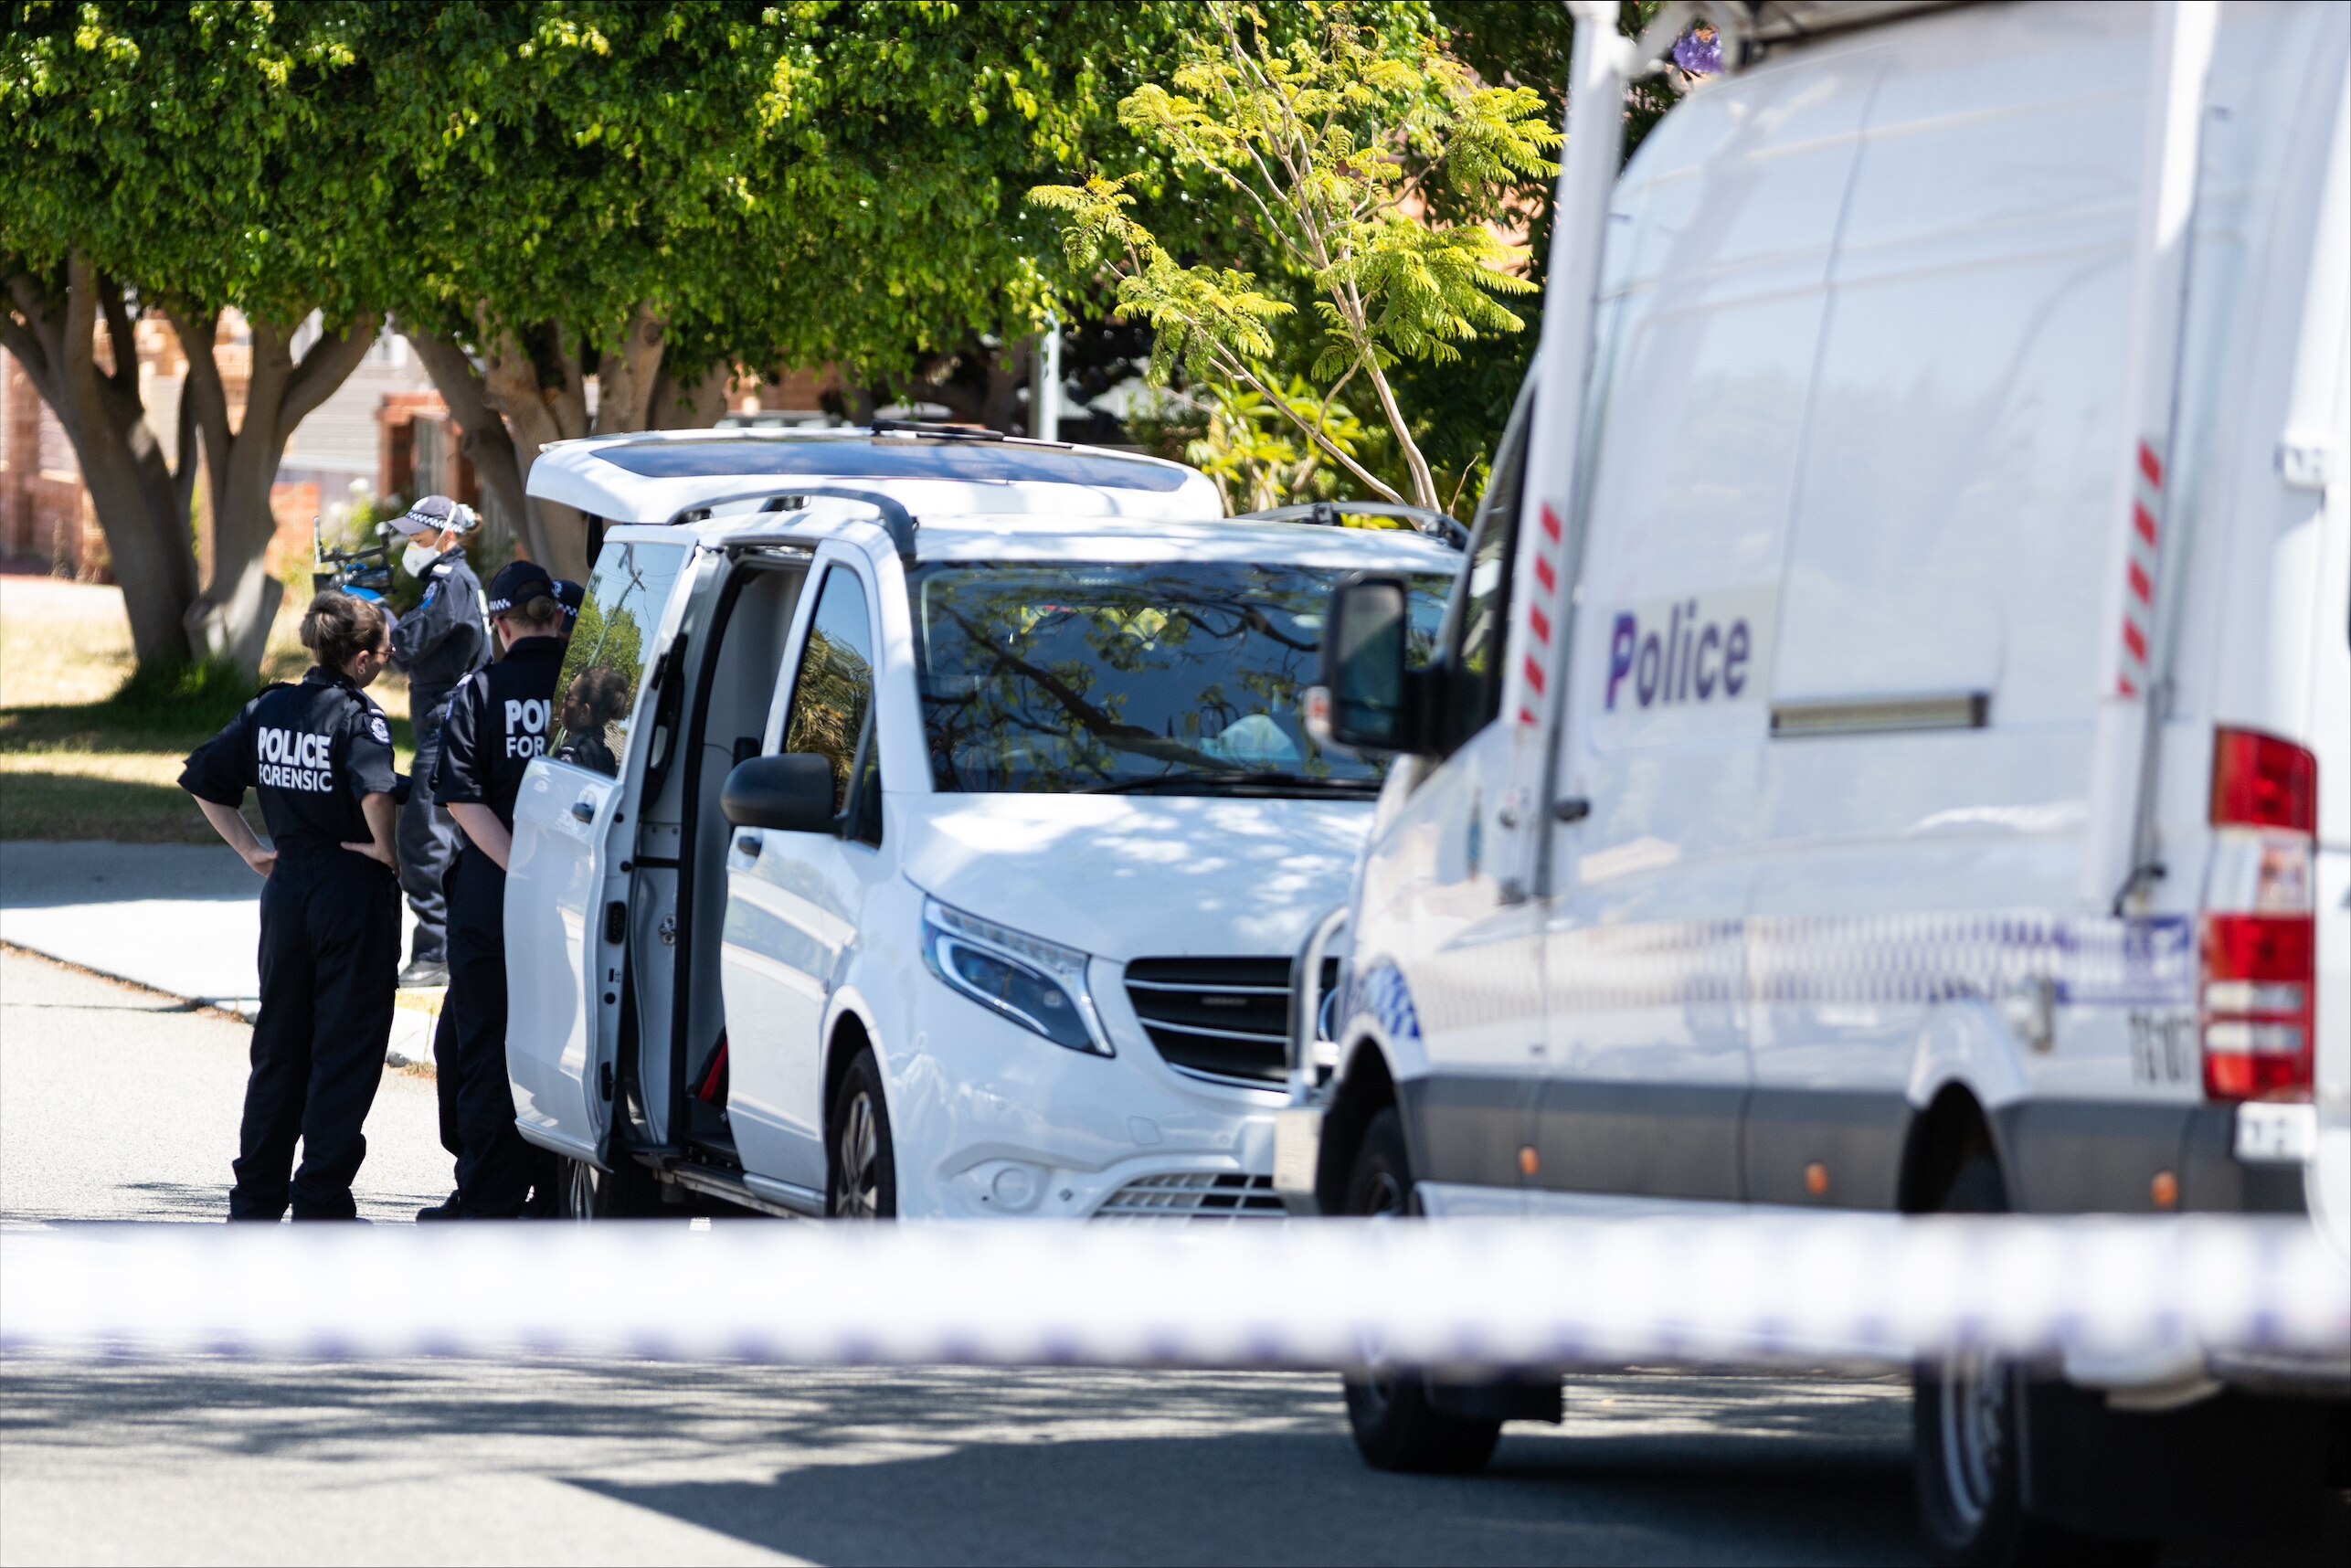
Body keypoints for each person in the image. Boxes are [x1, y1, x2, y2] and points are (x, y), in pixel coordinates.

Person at [179, 592, 402, 1221]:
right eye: (384, 651)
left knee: (279, 1048)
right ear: (360, 659)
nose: (387, 659)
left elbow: (204, 779)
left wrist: (252, 850)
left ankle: (256, 1196)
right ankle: (321, 1197)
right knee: (345, 1049)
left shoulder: (270, 707)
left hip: (288, 893)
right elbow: (378, 793)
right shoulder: (361, 717)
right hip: (350, 893)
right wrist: (387, 853)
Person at [417, 561, 572, 1220]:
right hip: (580, 897)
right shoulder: (594, 691)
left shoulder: (480, 691)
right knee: (563, 1042)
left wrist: (520, 868)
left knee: (481, 1044)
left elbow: (461, 799)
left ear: (500, 624)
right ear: (558, 617)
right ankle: (556, 1188)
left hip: (495, 895)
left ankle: (485, 1198)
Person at [387, 495, 490, 988]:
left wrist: (379, 614)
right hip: (443, 716)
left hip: (447, 717)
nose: (411, 544)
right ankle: (447, 948)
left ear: (447, 535)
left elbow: (405, 647)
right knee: (444, 837)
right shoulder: (449, 581)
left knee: (424, 837)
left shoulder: (450, 582)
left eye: (419, 535)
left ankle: (435, 953)